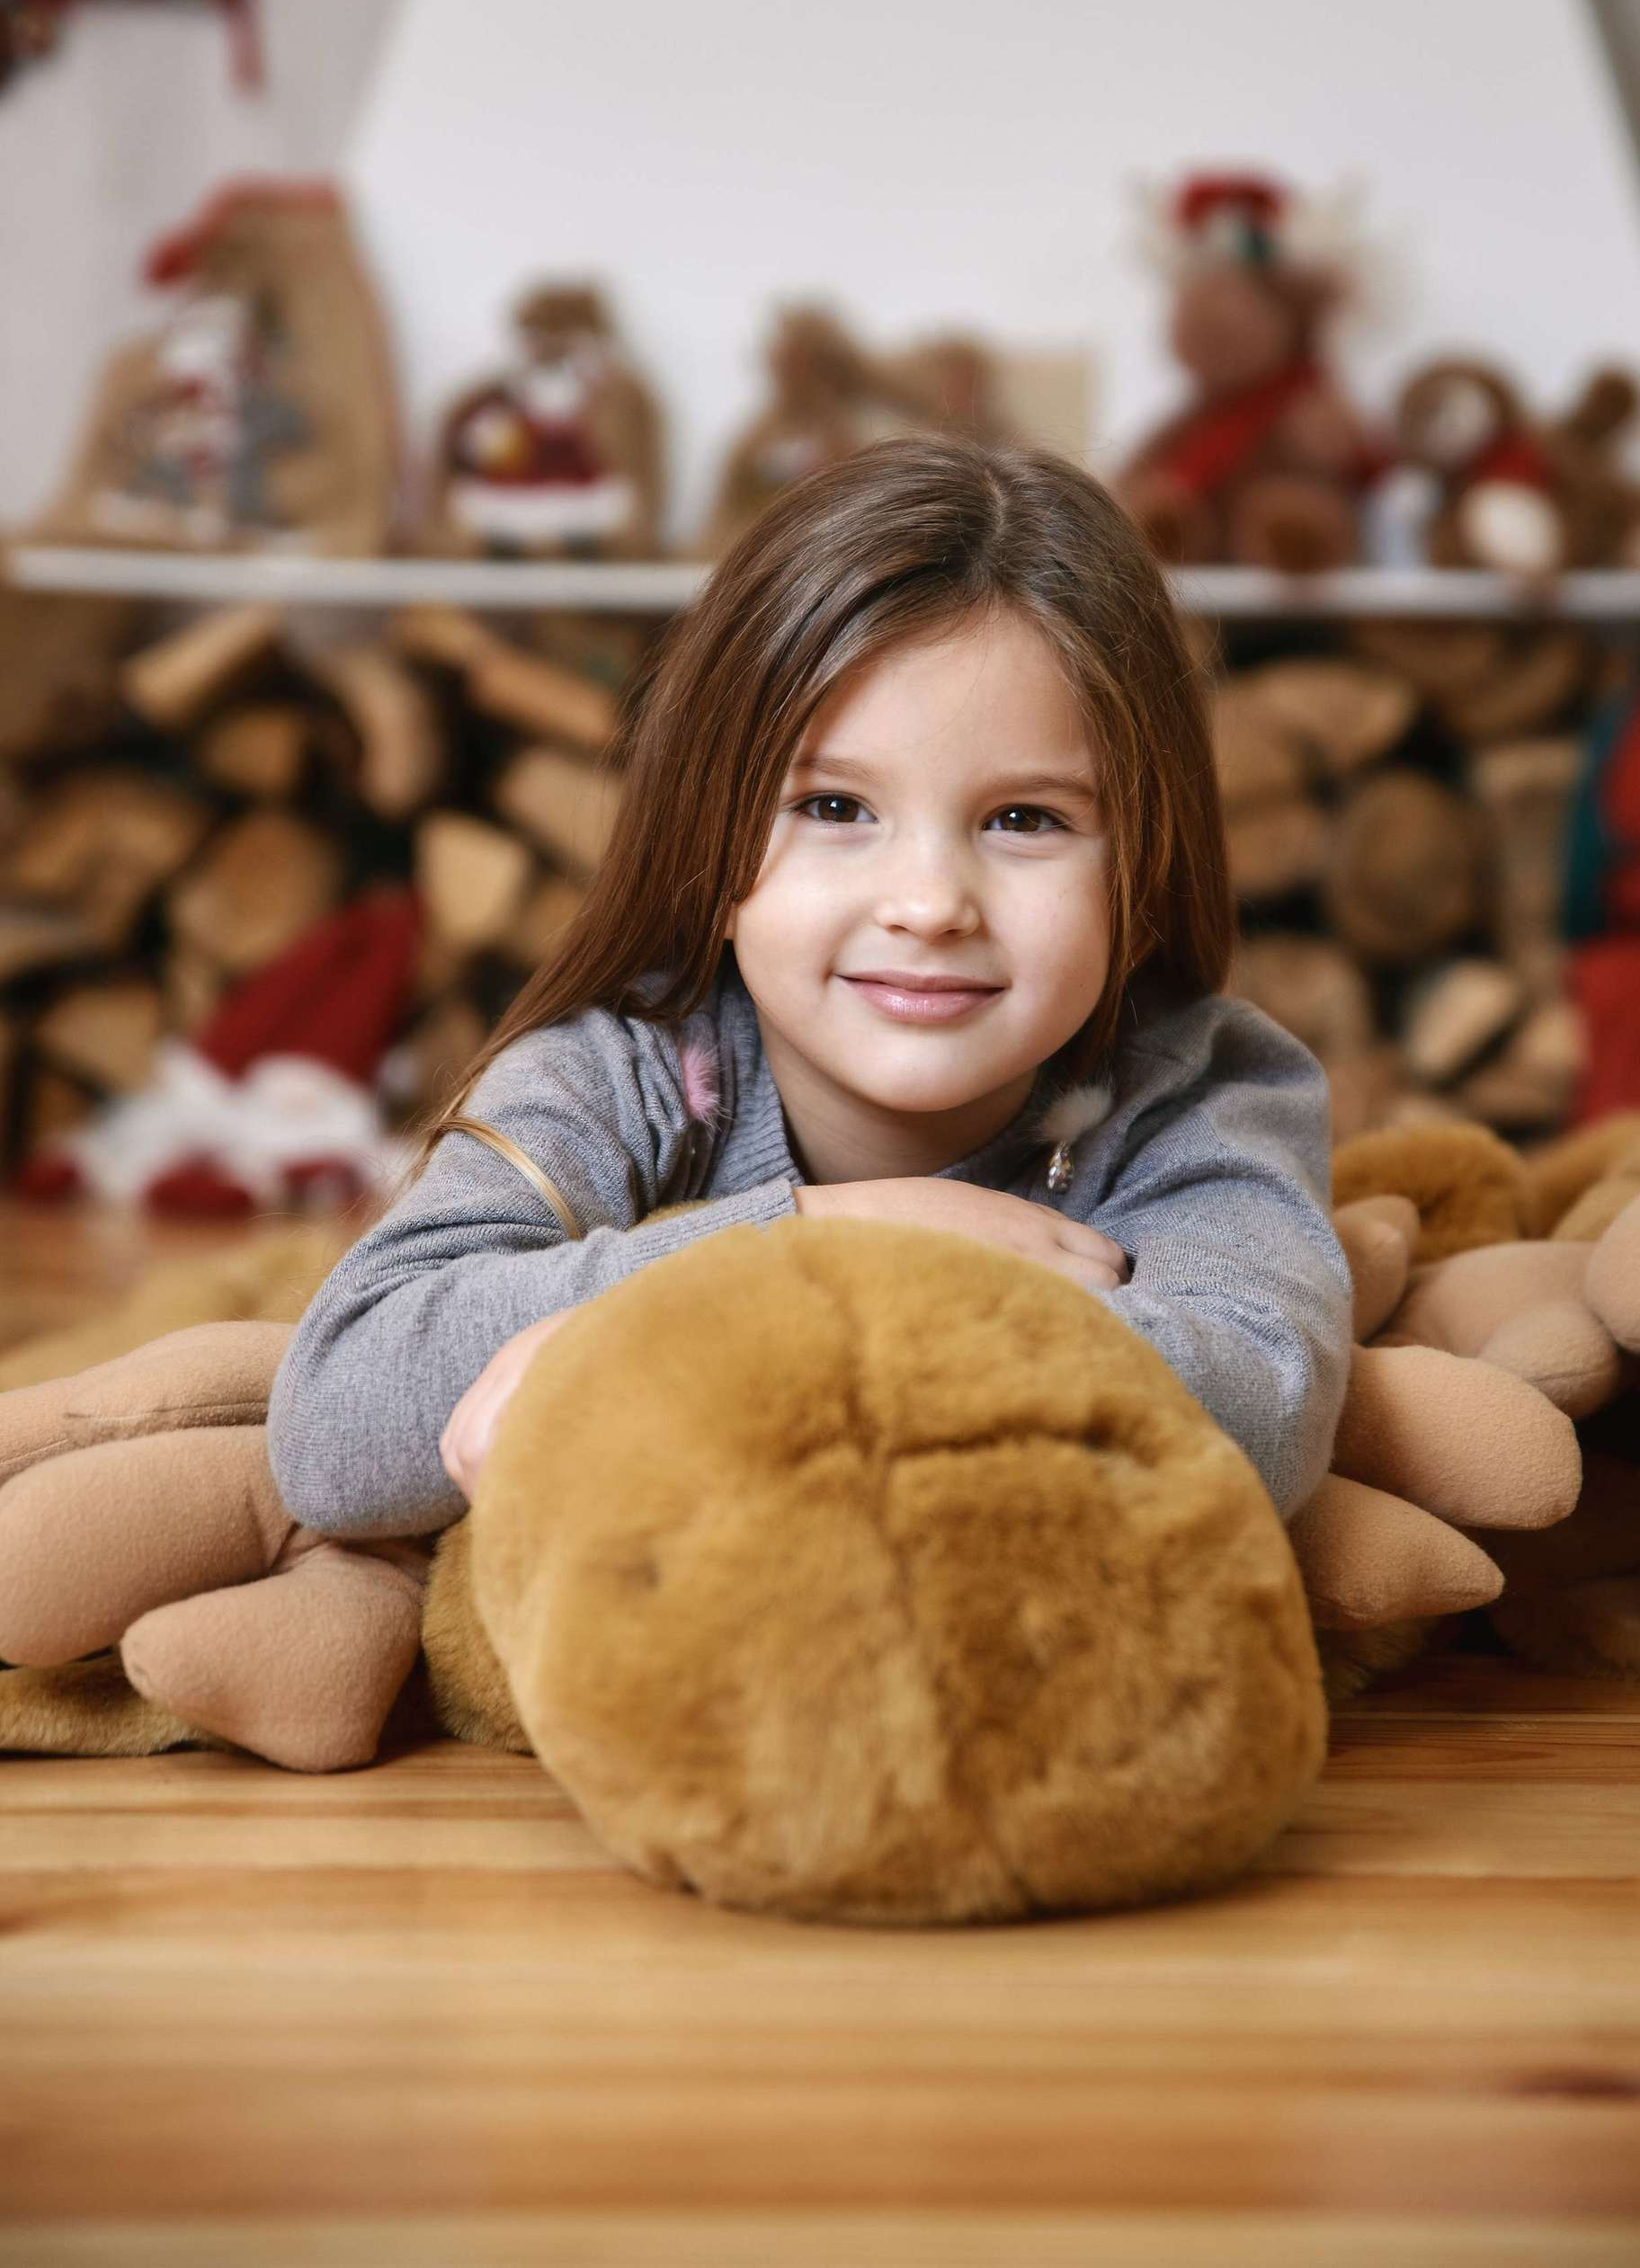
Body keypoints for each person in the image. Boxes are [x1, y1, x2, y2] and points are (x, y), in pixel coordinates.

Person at [266, 435, 1351, 1539]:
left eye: (1024, 818)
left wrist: (745, 1320)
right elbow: (334, 1420)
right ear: (707, 845)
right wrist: (805, 1246)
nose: (928, 903)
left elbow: (1260, 1419)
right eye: (834, 807)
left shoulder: (1196, 1088)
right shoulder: (627, 1067)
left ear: (1144, 868)